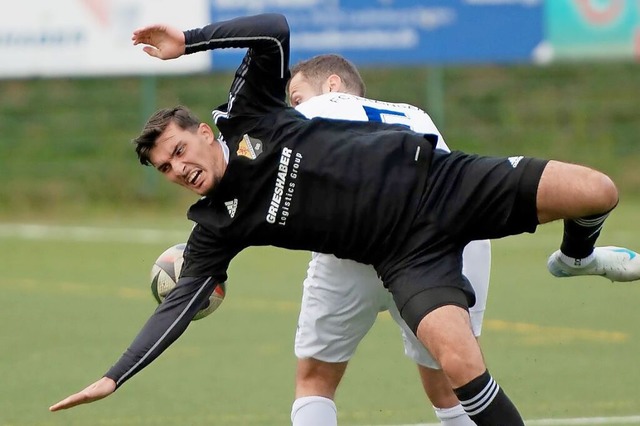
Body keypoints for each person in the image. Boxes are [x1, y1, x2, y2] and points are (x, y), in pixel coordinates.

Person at [49, 14, 640, 425]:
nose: (178, 168)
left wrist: (192, 41)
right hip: (404, 253)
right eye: (165, 168)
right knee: (459, 365)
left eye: (179, 151)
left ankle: (576, 256)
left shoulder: (247, 111)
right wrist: (114, 376)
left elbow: (273, 31)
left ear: (203, 133)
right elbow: (175, 308)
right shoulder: (216, 225)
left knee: (598, 190)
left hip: (446, 180)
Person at [287, 53, 488, 426]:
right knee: (453, 381)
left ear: (332, 85)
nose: (294, 108)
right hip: (442, 243)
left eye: (297, 97)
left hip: (357, 247)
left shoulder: (313, 113)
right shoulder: (413, 113)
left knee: (315, 380)